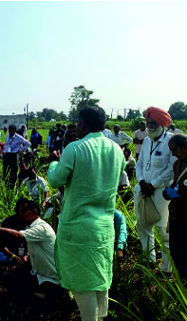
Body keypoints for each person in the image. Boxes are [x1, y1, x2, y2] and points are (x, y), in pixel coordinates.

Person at [47, 106, 125, 321]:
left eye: (78, 124)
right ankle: (100, 317)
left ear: (83, 124)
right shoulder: (116, 150)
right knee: (100, 277)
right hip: (104, 227)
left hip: (78, 228)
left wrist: (53, 161)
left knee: (83, 282)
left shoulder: (75, 148)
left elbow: (55, 180)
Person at [0, 201, 65, 300]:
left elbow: (18, 235)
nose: (21, 214)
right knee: (10, 278)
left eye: (24, 211)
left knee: (32, 294)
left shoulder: (41, 228)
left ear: (34, 212)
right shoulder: (28, 226)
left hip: (51, 278)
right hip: (39, 273)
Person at [135, 106, 175, 273]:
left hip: (161, 193)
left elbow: (173, 168)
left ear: (161, 124)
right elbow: (140, 165)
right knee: (143, 226)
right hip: (144, 190)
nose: (150, 126)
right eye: (148, 122)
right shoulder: (146, 141)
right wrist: (143, 181)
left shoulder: (171, 141)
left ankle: (166, 268)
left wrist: (154, 184)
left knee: (163, 230)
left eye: (153, 123)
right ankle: (149, 260)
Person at [164, 134, 187, 280]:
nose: (173, 154)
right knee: (175, 250)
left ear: (185, 146)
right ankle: (181, 281)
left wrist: (174, 192)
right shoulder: (177, 164)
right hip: (176, 214)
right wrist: (169, 191)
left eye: (175, 149)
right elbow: (176, 185)